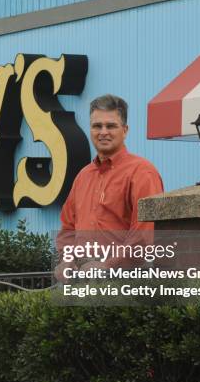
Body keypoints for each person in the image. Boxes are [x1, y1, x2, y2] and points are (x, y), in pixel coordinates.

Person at [56, 94, 164, 279]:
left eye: (111, 126)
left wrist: (107, 265)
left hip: (128, 280)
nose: (103, 132)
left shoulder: (142, 172)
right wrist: (66, 260)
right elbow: (68, 228)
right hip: (83, 279)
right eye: (97, 126)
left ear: (125, 130)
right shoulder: (83, 176)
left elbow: (145, 234)